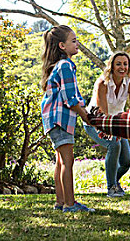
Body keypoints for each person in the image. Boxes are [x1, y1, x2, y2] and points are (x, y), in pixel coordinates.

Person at [40, 25, 95, 213]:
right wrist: (86, 117)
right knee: (67, 161)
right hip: (60, 119)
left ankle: (60, 202)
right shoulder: (65, 66)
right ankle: (70, 205)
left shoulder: (59, 66)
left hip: (53, 119)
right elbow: (70, 99)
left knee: (61, 161)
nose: (77, 43)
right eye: (73, 40)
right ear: (62, 46)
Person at [84, 52, 130, 197]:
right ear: (112, 67)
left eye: (125, 64)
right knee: (114, 145)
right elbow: (103, 111)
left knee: (126, 162)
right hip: (95, 122)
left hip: (116, 124)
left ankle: (115, 181)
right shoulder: (102, 83)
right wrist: (113, 132)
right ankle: (111, 187)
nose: (123, 67)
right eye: (118, 64)